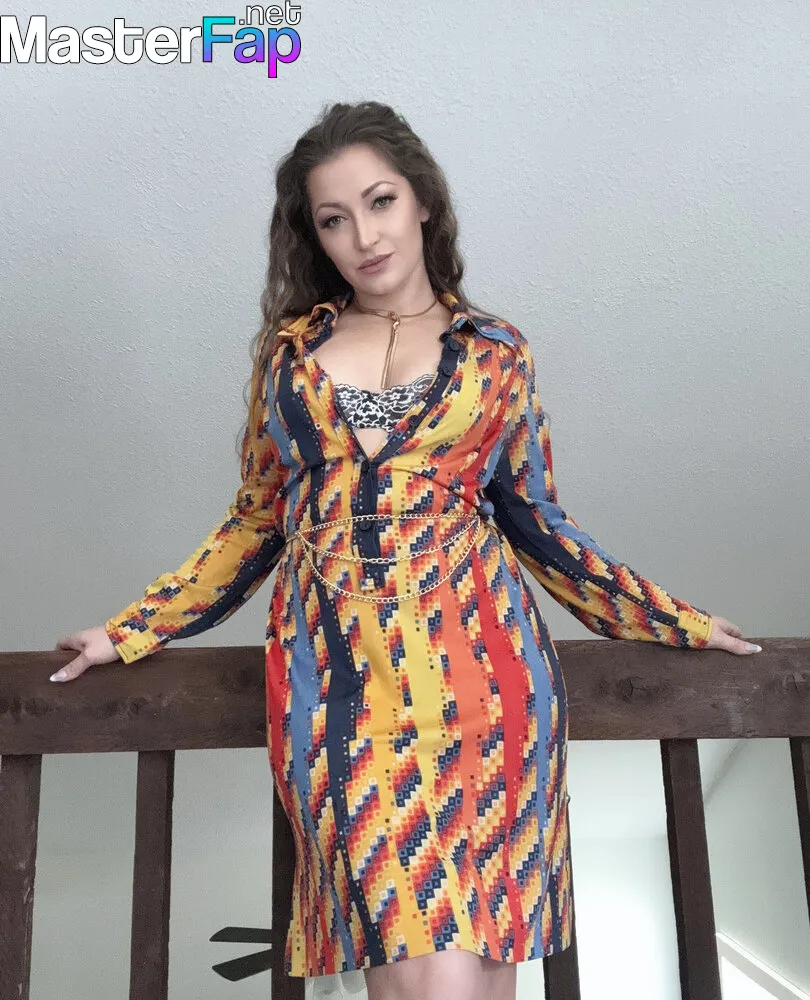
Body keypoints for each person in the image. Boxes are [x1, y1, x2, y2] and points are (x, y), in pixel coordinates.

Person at [54, 100, 761, 1000]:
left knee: (472, 972)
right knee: (416, 966)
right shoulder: (290, 358)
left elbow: (540, 525)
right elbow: (255, 523)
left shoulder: (496, 356)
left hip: (483, 682)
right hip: (339, 691)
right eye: (333, 219)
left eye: (380, 202)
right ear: (313, 235)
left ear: (423, 200)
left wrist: (676, 621)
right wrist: (130, 630)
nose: (363, 236)